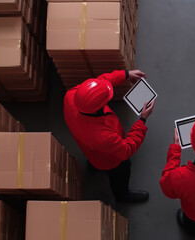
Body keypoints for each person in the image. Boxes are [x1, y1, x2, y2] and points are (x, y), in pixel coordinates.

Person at [64, 69, 155, 202]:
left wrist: (126, 74)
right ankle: (122, 195)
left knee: (94, 159)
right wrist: (142, 119)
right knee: (121, 171)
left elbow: (100, 83)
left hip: (89, 149)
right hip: (109, 161)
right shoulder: (103, 137)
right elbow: (126, 149)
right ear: (97, 108)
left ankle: (94, 166)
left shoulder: (71, 96)